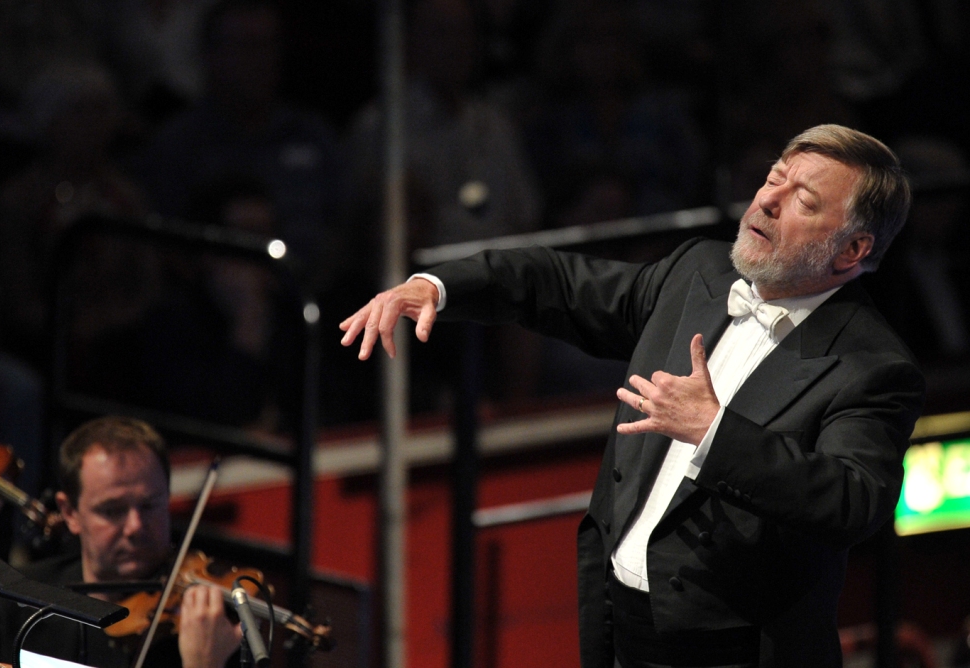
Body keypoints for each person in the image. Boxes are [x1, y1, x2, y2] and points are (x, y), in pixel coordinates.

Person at [339, 124, 925, 667]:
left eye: (805, 201)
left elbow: (853, 500)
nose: (768, 200)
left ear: (852, 251)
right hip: (619, 622)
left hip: (736, 649)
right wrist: (438, 286)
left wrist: (715, 431)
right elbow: (562, 286)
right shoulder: (696, 273)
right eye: (775, 177)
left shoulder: (871, 365)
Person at [0, 416, 242, 668]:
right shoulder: (19, 597)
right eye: (112, 511)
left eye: (149, 505)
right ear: (70, 512)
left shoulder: (212, 629)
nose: (135, 526)